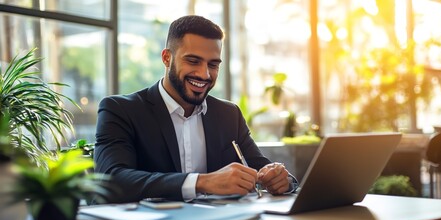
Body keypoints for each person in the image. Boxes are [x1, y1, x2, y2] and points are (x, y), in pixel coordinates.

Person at [94, 15, 297, 203]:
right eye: (193, 61)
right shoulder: (120, 109)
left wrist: (282, 180)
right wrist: (202, 182)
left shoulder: (229, 115)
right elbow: (111, 180)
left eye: (213, 65)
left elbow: (262, 168)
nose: (204, 74)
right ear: (166, 58)